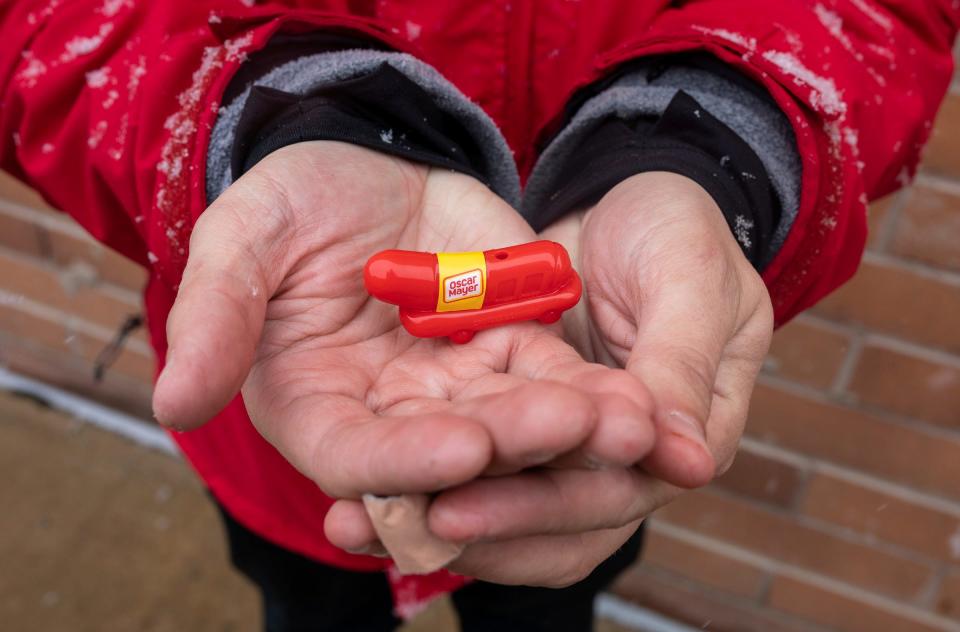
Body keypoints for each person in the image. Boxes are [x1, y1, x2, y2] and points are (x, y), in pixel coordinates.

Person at [3, 1, 957, 630]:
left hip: (587, 409)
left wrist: (706, 142)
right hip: (289, 424)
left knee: (547, 603)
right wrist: (269, 119)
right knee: (310, 610)